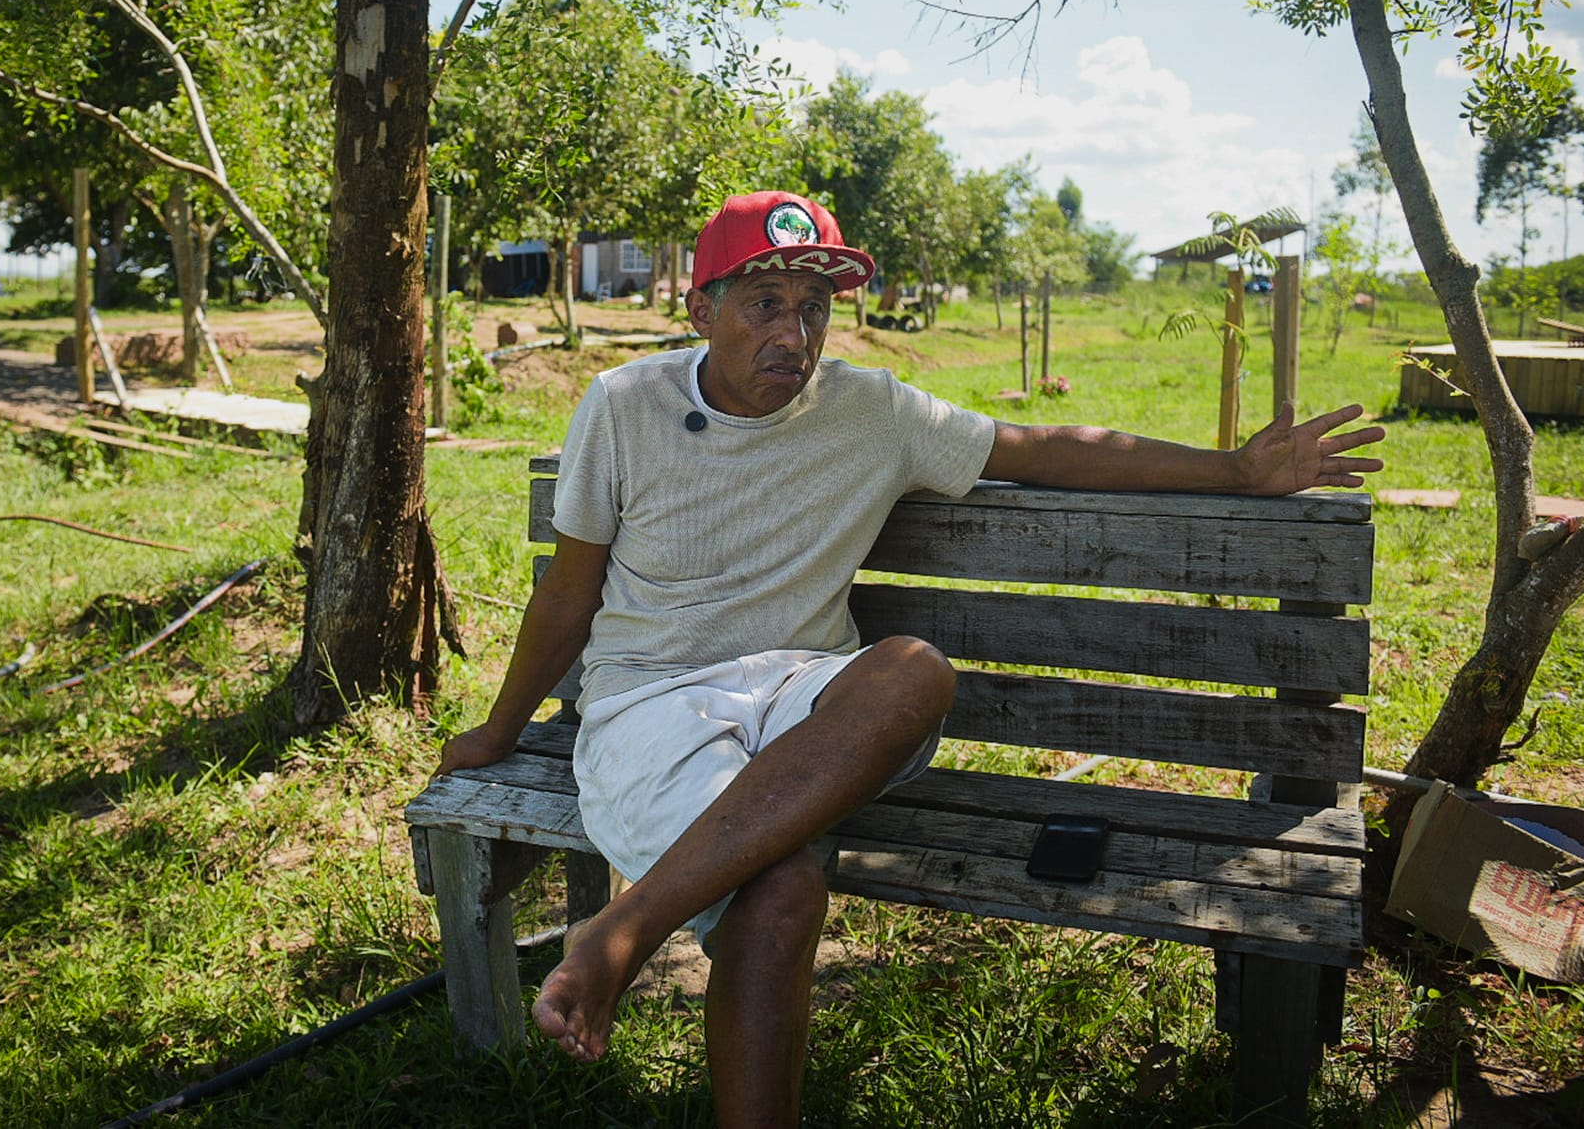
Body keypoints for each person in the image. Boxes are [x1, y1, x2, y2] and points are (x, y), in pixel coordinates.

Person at [434, 191, 1384, 1126]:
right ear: (700, 308)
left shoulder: (870, 409)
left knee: (916, 667)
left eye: (815, 308)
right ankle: (630, 935)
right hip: (653, 706)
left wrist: (1233, 471)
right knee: (783, 889)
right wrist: (502, 729)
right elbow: (569, 590)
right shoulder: (625, 405)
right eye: (765, 303)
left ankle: (624, 927)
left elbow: (1044, 448)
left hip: (809, 700)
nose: (795, 336)